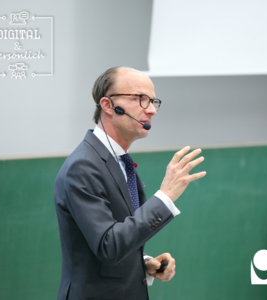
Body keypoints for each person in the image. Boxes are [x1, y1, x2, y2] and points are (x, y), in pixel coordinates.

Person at [54, 67, 206, 300]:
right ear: (108, 105)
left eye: (153, 101)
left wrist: (144, 263)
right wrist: (165, 196)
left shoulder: (119, 161)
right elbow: (109, 245)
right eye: (140, 99)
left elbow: (118, 234)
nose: (152, 110)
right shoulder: (83, 166)